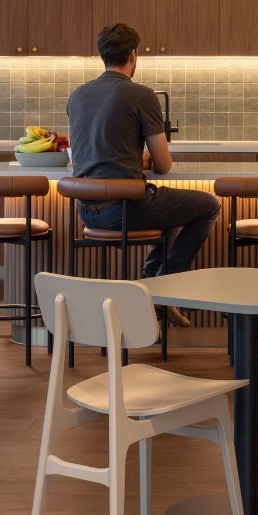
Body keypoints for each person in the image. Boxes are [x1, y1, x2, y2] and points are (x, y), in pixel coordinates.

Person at [66, 23, 219, 327]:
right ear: (133, 56)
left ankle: (153, 281)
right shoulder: (142, 95)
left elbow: (98, 150)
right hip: (125, 209)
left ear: (102, 56)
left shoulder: (78, 95)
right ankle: (161, 289)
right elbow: (163, 164)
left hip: (87, 211)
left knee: (172, 208)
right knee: (208, 206)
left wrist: (136, 159)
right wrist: (146, 158)